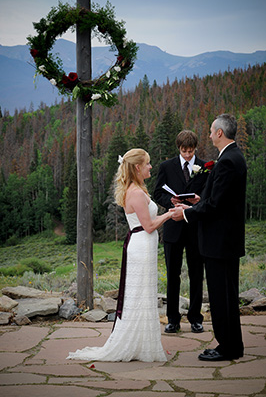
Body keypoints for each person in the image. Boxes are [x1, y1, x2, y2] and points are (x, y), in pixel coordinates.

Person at [67, 148, 174, 362]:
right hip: (141, 246)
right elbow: (149, 225)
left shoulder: (137, 188)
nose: (150, 167)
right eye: (147, 163)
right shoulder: (135, 192)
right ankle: (139, 345)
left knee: (144, 295)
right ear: (137, 167)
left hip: (143, 246)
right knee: (140, 296)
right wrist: (170, 214)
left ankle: (147, 343)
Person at [171, 114, 246, 361]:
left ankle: (228, 347)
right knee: (226, 295)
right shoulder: (233, 157)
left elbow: (215, 206)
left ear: (220, 133)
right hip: (226, 240)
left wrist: (187, 213)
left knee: (221, 296)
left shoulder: (226, 161)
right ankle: (231, 343)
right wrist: (200, 200)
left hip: (219, 242)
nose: (210, 134)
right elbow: (218, 200)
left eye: (212, 130)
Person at [154, 130, 208, 334]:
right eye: (184, 151)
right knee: (172, 275)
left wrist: (199, 199)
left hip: (195, 227)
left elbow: (209, 193)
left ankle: (196, 318)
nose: (187, 154)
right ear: (179, 148)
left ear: (195, 148)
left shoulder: (204, 167)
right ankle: (173, 319)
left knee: (196, 274)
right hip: (173, 228)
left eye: (190, 151)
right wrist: (170, 201)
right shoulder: (166, 167)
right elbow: (158, 192)